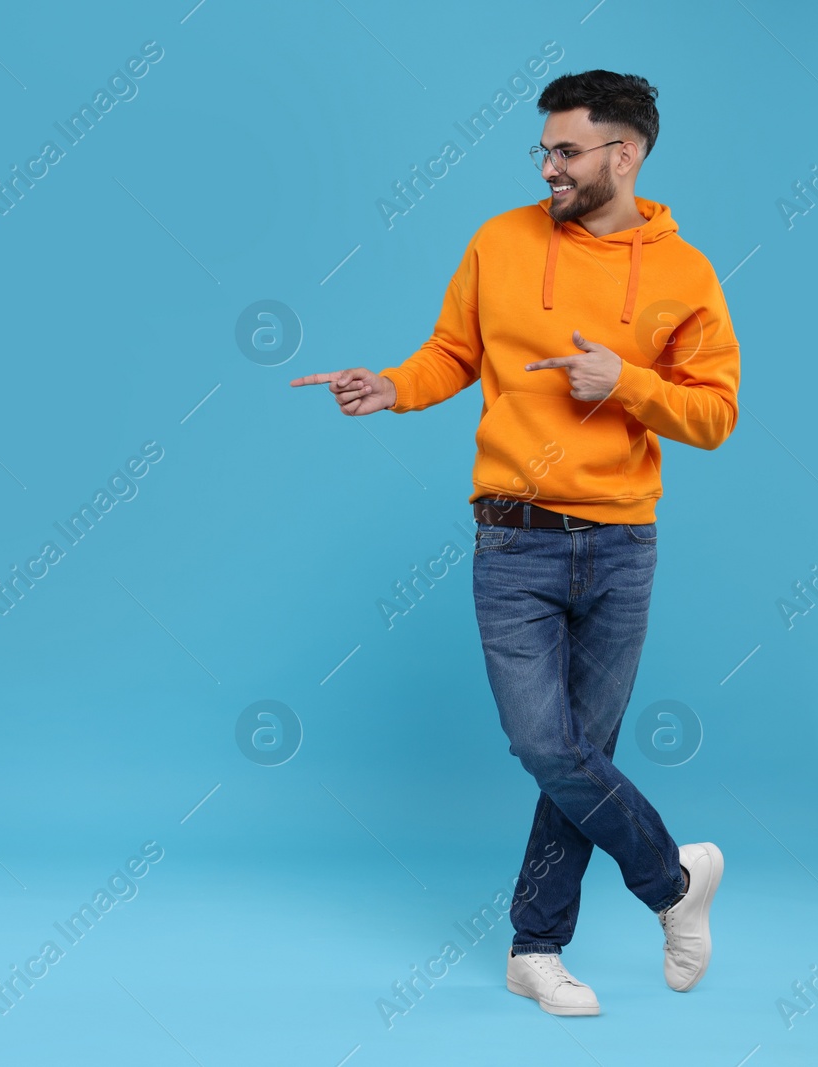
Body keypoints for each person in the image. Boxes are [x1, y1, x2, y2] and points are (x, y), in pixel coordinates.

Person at [291, 70, 739, 1015]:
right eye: (543, 150)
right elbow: (453, 352)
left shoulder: (685, 273)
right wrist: (393, 386)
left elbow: (715, 413)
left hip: (620, 543)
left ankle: (535, 947)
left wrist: (624, 381)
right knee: (547, 743)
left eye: (567, 150)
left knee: (584, 745)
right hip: (515, 543)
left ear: (625, 154)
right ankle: (672, 880)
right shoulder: (501, 241)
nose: (548, 167)